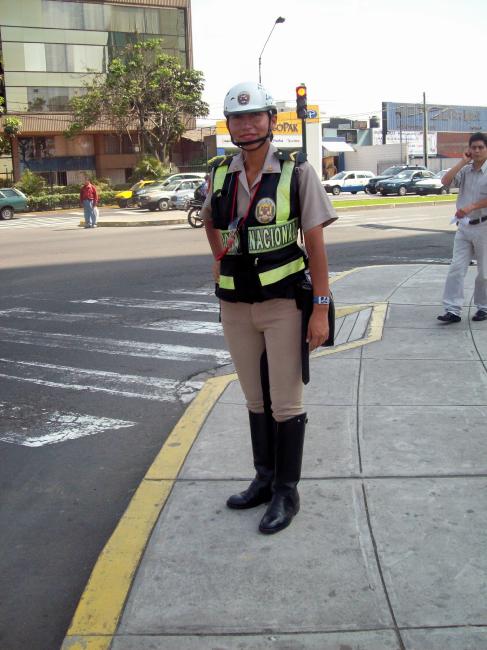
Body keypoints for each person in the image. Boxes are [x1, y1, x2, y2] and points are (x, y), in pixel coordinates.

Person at [203, 81, 337, 535]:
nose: (246, 124)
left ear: (271, 121)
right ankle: (263, 479)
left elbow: (315, 245)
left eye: (254, 116)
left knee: (285, 402)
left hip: (283, 304)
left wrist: (320, 307)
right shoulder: (220, 171)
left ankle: (287, 491)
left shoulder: (297, 172)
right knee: (254, 399)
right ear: (229, 125)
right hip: (235, 306)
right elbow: (208, 220)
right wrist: (221, 256)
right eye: (237, 117)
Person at [438, 132, 487, 323]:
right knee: (456, 268)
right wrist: (461, 162)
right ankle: (452, 310)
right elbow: (444, 182)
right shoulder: (465, 170)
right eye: (473, 147)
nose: (476, 151)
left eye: (480, 147)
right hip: (464, 228)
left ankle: (483, 307)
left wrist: (472, 207)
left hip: (484, 226)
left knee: (484, 272)